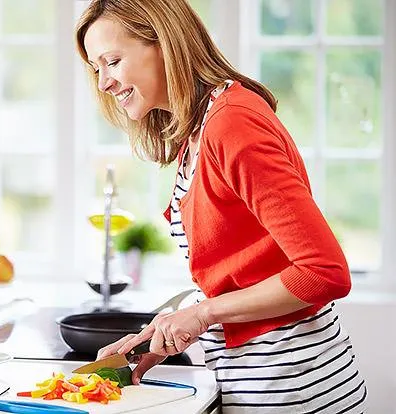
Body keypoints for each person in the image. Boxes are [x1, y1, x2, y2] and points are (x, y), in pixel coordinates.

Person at [75, 0, 367, 412]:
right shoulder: (199, 129)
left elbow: (323, 272)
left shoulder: (232, 123)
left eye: (113, 61)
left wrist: (204, 313)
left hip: (291, 391)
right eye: (96, 68)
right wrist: (160, 335)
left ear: (165, 44)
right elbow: (242, 275)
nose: (104, 82)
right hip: (255, 384)